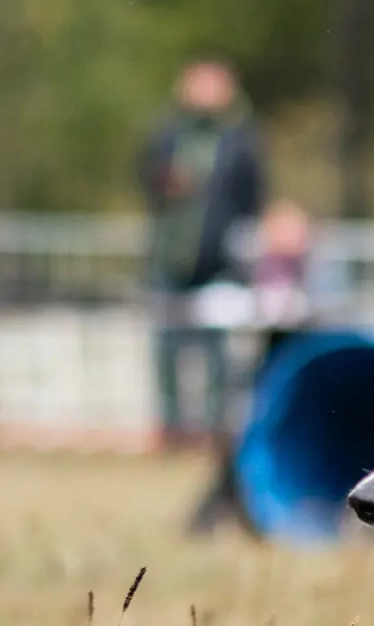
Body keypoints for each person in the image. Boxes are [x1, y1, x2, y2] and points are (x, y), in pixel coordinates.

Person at [184, 199, 343, 535]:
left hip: (297, 373)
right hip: (260, 372)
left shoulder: (317, 274)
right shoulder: (250, 270)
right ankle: (224, 509)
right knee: (235, 433)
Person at [138, 57, 265, 448]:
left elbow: (253, 199)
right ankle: (172, 427)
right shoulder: (166, 133)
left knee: (217, 353)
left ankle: (213, 429)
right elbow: (143, 179)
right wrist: (165, 183)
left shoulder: (241, 140)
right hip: (170, 258)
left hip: (218, 262)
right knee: (166, 348)